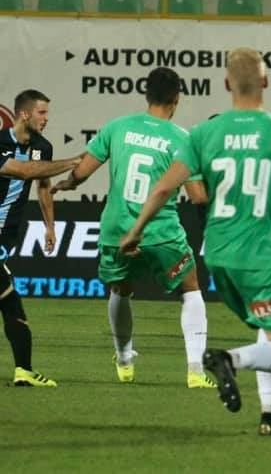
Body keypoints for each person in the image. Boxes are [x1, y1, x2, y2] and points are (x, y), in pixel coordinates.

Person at [120, 48, 271, 435]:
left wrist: (136, 230)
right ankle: (229, 359)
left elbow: (163, 188)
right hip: (261, 255)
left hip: (219, 257)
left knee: (268, 324)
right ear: (266, 81)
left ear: (227, 84)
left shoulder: (204, 133)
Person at [52, 68, 215, 388]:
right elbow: (197, 196)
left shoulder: (118, 127)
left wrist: (67, 184)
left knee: (120, 290)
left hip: (117, 229)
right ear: (177, 98)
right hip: (159, 232)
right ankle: (195, 371)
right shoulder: (182, 139)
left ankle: (124, 358)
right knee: (190, 288)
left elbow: (82, 171)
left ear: (146, 95)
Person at [0, 89, 80, 386]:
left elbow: (42, 184)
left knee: (8, 301)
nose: (46, 119)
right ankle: (24, 370)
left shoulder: (42, 146)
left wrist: (50, 227)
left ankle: (24, 371)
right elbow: (25, 171)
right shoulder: (0, 143)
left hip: (5, 239)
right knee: (10, 301)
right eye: (41, 112)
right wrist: (74, 161)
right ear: (24, 113)